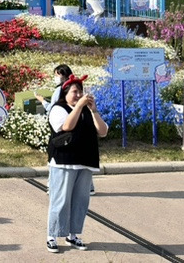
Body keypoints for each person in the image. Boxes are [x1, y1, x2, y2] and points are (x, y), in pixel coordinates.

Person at [45, 74, 108, 253]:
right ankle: (52, 235)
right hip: (64, 161)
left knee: (80, 202)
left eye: (81, 91)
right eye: (75, 91)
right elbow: (67, 126)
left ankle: (73, 235)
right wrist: (79, 106)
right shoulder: (58, 109)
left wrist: (94, 111)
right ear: (65, 93)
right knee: (61, 201)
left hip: (85, 161)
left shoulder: (87, 110)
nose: (79, 95)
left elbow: (103, 131)